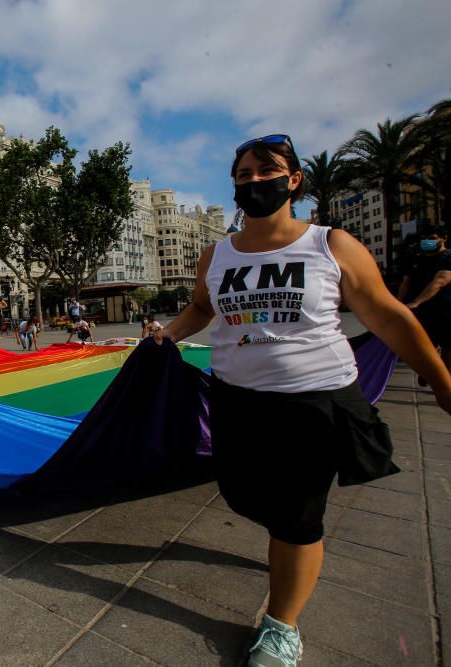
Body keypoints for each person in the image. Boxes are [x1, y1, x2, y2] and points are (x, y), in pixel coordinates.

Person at [154, 133, 451, 667]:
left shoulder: (330, 245)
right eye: (242, 175)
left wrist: (445, 385)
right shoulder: (215, 255)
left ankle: (281, 627)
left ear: (293, 180)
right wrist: (169, 335)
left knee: (297, 517)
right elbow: (201, 308)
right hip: (237, 404)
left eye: (265, 171)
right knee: (246, 497)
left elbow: (387, 315)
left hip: (314, 403)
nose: (253, 182)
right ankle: (294, 549)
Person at [401, 224, 451, 384]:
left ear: (444, 239)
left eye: (432, 238)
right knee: (423, 347)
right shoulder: (416, 259)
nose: (427, 241)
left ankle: (445, 380)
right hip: (423, 314)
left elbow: (440, 281)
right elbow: (406, 283)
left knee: (448, 349)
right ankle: (431, 371)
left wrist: (416, 301)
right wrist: (398, 304)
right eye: (424, 238)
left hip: (446, 312)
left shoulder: (448, 258)